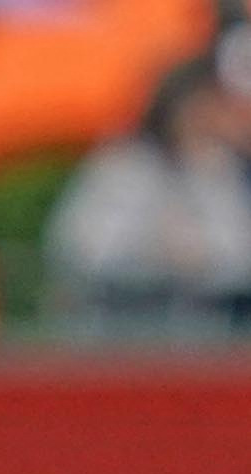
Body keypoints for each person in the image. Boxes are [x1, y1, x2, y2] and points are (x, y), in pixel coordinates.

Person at [45, 50, 251, 332]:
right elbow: (82, 248)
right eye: (215, 103)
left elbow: (238, 257)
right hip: (118, 334)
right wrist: (154, 252)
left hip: (202, 335)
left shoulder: (219, 170)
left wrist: (201, 256)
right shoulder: (124, 166)